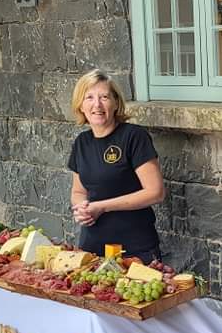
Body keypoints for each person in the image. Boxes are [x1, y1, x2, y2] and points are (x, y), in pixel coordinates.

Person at [67, 70, 166, 264]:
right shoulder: (81, 142)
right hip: (92, 248)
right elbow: (78, 191)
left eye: (104, 97)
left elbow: (156, 192)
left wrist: (102, 207)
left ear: (115, 103)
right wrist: (82, 207)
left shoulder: (134, 137)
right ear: (81, 105)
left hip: (135, 249)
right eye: (89, 97)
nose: (97, 104)